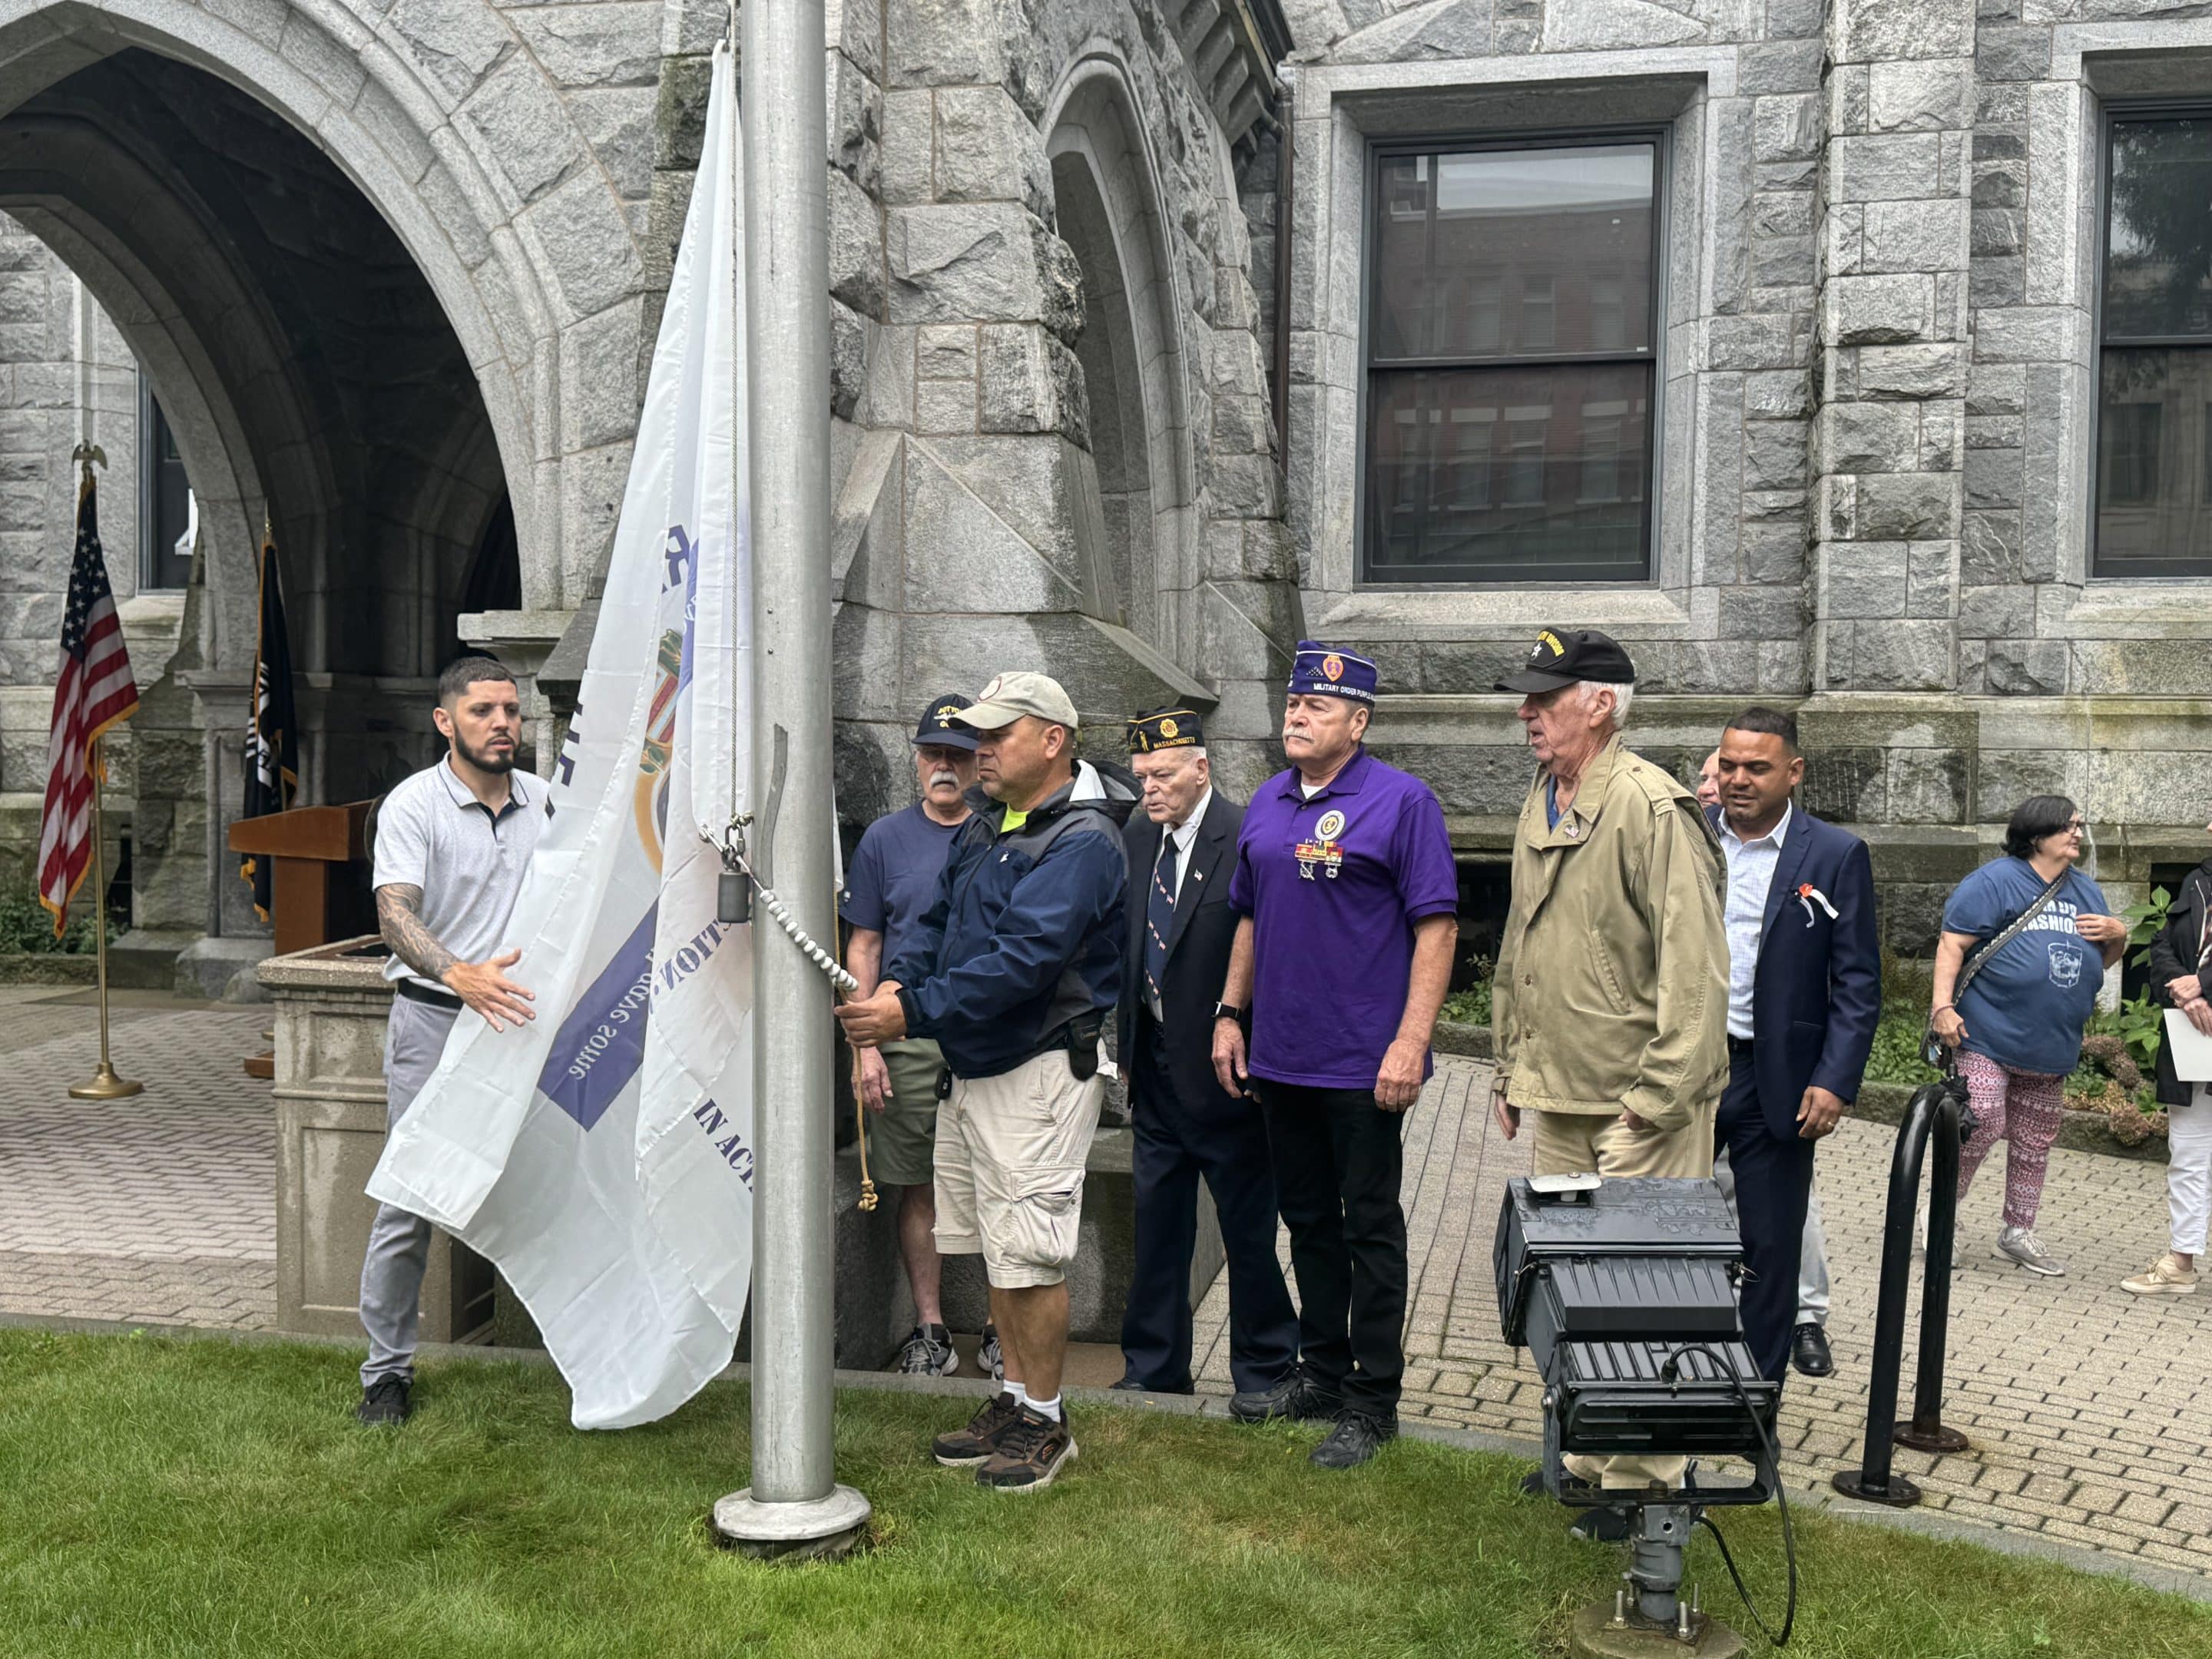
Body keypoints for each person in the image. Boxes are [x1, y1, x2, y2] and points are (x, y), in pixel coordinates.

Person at [834, 672, 1134, 1492]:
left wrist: (907, 1013)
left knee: (1031, 1257)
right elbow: (933, 928)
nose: (979, 750)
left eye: (999, 736)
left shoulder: (1082, 842)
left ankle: (1046, 1419)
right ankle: (1012, 1400)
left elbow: (1020, 966)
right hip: (976, 1071)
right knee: (1001, 1254)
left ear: (1053, 742)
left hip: (1034, 1073)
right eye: (978, 736)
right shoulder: (988, 827)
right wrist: (898, 985)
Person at [1487, 628, 1727, 1531]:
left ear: (1600, 704)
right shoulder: (1545, 797)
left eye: (1544, 700)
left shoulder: (1651, 807)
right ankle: (1590, 1458)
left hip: (1640, 1104)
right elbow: (1521, 943)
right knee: (1577, 1289)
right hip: (1562, 1096)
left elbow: (1696, 971)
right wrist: (1513, 1067)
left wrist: (1657, 1099)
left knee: (1649, 1297)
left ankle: (1652, 1485)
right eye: (1528, 700)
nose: (1527, 714)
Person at [1212, 643, 1459, 1469]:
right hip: (1281, 1060)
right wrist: (1228, 1013)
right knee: (1308, 1223)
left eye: (1316, 706)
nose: (1296, 715)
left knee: (1370, 1231)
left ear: (1358, 722)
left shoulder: (1402, 802)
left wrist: (1411, 1043)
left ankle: (1374, 1400)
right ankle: (1321, 1373)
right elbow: (1247, 918)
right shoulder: (1268, 802)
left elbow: (1437, 928)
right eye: (1292, 703)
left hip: (1362, 1063)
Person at [358, 656, 545, 1426]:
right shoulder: (413, 806)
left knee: (566, 1182)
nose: (502, 722)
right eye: (482, 711)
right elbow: (394, 916)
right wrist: (458, 972)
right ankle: (386, 1376)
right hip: (436, 1020)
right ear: (446, 722)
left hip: (529, 1027)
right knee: (411, 1200)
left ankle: (588, 1352)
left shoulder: (549, 803)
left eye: (511, 709)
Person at [1111, 707, 1300, 1412]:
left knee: (1248, 1231)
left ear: (1202, 769)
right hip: (1154, 1073)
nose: (1150, 790)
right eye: (1140, 778)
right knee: (1157, 1225)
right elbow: (1133, 941)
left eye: (1162, 776)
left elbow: (1270, 949)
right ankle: (1154, 1369)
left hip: (1227, 1076)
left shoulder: (1247, 833)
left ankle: (1265, 1369)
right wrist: (1126, 1045)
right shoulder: (1138, 834)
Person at [1703, 708, 1878, 1385]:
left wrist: (1834, 1079)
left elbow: (1858, 979)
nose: (1738, 780)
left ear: (1794, 772)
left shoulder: (1834, 855)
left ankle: (1756, 1399)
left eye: (1757, 767)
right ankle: (1669, 1388)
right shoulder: (1686, 839)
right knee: (1664, 1230)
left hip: (1773, 1075)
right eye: (1728, 764)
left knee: (1771, 1249)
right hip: (1686, 1067)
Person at [841, 694, 997, 1378]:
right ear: (916, 759)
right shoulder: (883, 840)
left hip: (989, 1036)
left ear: (978, 761)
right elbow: (864, 946)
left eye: (958, 754)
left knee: (998, 1180)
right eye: (933, 752)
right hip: (904, 1040)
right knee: (918, 1187)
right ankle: (932, 1329)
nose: (944, 766)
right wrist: (865, 1045)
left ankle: (1001, 1328)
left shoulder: (1002, 833)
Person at [1932, 795, 2126, 1277]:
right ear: (2036, 835)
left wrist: (2119, 934)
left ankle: (2016, 1232)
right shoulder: (1994, 882)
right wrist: (1942, 1007)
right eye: (2067, 827)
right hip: (1986, 1032)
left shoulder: (2086, 891)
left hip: (2052, 1042)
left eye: (2079, 825)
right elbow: (1953, 943)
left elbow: (2097, 961)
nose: (2077, 834)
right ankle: (1940, 1217)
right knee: (1982, 1119)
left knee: (2035, 1142)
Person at [2127, 824, 2212, 1294]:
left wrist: (2206, 984)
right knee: (2189, 1153)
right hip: (2194, 1040)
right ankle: (2181, 1261)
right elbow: (2163, 946)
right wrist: (2184, 989)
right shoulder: (2197, 881)